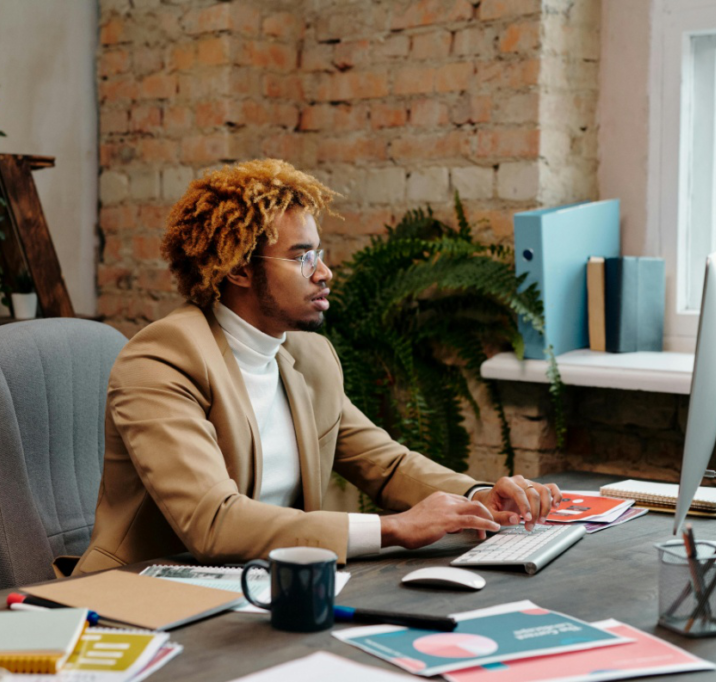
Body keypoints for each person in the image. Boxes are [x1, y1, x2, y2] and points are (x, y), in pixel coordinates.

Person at [74, 159, 561, 574]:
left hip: (259, 587)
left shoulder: (307, 357)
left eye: (319, 255)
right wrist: (393, 529)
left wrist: (476, 496)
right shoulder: (165, 359)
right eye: (301, 257)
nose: (324, 272)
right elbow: (213, 522)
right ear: (239, 269)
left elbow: (386, 466)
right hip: (142, 595)